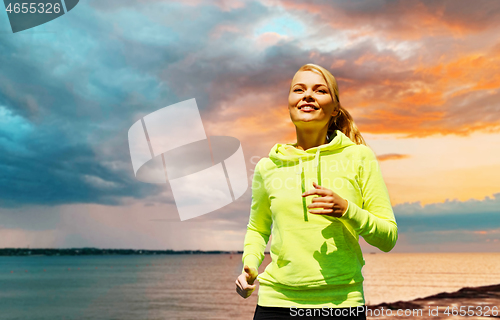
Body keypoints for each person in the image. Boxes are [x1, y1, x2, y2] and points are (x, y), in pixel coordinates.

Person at [235, 63, 398, 319]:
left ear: (335, 109)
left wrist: (347, 210)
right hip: (275, 304)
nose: (307, 95)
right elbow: (257, 229)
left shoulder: (359, 157)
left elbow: (388, 238)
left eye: (319, 90)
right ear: (289, 103)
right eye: (298, 89)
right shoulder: (267, 166)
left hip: (342, 305)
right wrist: (249, 264)